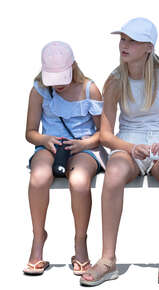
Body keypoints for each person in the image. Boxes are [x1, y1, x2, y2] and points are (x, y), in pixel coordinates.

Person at [80, 18, 159, 286]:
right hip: (128, 143)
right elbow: (107, 135)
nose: (124, 44)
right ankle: (108, 260)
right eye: (123, 39)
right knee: (114, 173)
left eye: (132, 40)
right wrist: (131, 148)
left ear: (148, 47)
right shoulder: (114, 78)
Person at [23, 41, 107, 275]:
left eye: (62, 78)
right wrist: (44, 140)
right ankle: (38, 239)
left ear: (72, 68)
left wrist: (84, 144)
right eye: (53, 79)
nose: (57, 85)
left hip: (85, 146)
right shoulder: (39, 89)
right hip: (50, 146)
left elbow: (105, 133)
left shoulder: (89, 89)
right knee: (38, 178)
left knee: (79, 181)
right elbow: (30, 132)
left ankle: (80, 242)